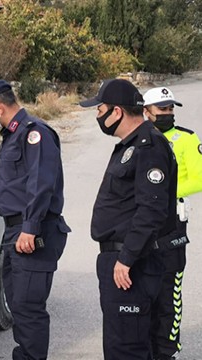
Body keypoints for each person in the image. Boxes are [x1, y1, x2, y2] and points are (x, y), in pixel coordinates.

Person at [0, 79, 70, 360]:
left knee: (28, 308)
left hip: (34, 232)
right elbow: (12, 188)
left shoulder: (35, 134)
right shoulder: (12, 135)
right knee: (19, 305)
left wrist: (30, 229)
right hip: (16, 232)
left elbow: (41, 185)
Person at [80, 79, 178, 360]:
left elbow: (152, 209)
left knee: (126, 349)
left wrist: (126, 258)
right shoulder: (132, 144)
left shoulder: (148, 146)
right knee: (124, 343)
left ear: (117, 112)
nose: (98, 117)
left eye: (100, 110)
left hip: (131, 263)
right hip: (123, 258)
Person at [143, 86, 202, 360]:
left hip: (173, 222)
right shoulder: (137, 139)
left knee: (169, 290)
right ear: (146, 112)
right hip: (142, 225)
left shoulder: (187, 139)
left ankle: (167, 351)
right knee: (145, 290)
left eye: (170, 109)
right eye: (161, 109)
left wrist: (164, 191)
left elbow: (199, 179)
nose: (167, 113)